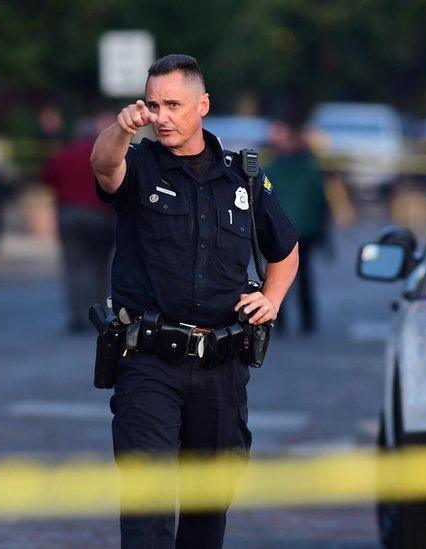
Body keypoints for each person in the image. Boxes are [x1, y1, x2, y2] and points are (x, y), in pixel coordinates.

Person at [91, 54, 300, 549]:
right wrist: (121, 128)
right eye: (153, 105)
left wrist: (271, 299)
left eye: (173, 105)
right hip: (148, 361)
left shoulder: (242, 178)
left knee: (209, 508)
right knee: (149, 504)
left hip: (221, 366)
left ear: (202, 105)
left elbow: (285, 249)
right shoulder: (139, 165)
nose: (161, 116)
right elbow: (103, 166)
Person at [41, 113, 116, 333]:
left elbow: (47, 177)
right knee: (100, 266)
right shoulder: (101, 155)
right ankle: (99, 313)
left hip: (70, 214)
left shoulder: (63, 154)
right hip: (101, 215)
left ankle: (76, 315)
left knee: (74, 266)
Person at [264, 117, 329, 334]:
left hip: (280, 229)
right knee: (302, 277)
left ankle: (277, 318)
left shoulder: (272, 168)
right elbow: (320, 202)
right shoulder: (310, 168)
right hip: (305, 230)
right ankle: (306, 320)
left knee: (276, 276)